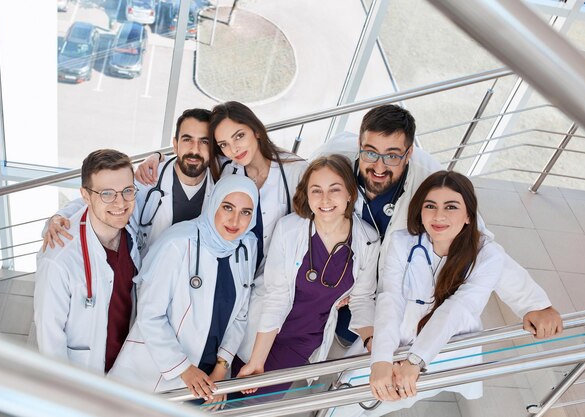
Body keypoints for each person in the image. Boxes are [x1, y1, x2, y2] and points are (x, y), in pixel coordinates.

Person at [311, 104, 562, 341]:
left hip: (387, 290)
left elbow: (475, 240)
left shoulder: (429, 179)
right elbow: (301, 210)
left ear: (409, 154)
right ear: (359, 145)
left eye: (392, 156)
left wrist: (534, 304)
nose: (379, 166)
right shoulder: (332, 161)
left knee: (369, 340)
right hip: (338, 281)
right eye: (370, 152)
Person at [108, 175, 259, 411]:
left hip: (209, 379)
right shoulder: (178, 242)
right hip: (159, 372)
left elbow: (240, 314)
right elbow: (150, 315)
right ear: (214, 203)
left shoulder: (246, 246)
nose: (235, 220)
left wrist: (221, 368)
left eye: (246, 212)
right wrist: (183, 369)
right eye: (227, 207)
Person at [235, 155, 379, 396]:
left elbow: (363, 299)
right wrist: (257, 361)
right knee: (230, 394)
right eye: (316, 191)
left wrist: (374, 345)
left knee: (254, 404)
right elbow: (277, 297)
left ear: (350, 194)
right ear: (307, 195)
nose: (325, 200)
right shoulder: (290, 229)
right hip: (265, 330)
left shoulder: (368, 240)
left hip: (303, 339)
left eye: (334, 190)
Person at [369, 171, 505, 409]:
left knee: (408, 395)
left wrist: (415, 360)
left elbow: (457, 308)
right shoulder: (402, 242)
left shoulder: (488, 256)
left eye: (451, 207)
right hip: (400, 336)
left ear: (469, 217)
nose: (439, 215)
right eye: (430, 205)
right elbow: (390, 298)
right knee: (359, 388)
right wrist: (381, 358)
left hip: (449, 343)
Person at [137, 101, 308, 277]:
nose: (234, 148)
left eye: (239, 136)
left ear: (256, 130)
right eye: (224, 144)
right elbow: (190, 157)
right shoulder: (228, 167)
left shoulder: (297, 172)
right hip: (234, 271)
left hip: (277, 275)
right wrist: (157, 157)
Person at [42, 108, 215, 257]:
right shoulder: (148, 178)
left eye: (204, 141)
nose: (195, 149)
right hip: (150, 277)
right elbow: (98, 197)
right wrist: (59, 217)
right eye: (187, 140)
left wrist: (158, 155)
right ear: (175, 145)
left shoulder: (221, 186)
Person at [34, 149, 141, 374]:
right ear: (85, 195)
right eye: (107, 194)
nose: (120, 203)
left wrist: (157, 157)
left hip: (126, 362)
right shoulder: (58, 260)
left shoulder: (130, 227)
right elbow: (50, 341)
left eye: (127, 191)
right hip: (86, 374)